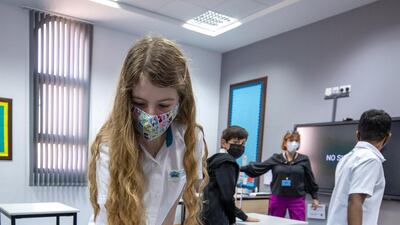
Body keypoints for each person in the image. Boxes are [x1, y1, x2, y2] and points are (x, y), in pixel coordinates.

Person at [88, 36, 208, 225]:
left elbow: (170, 208)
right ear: (127, 98)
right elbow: (110, 217)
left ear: (181, 100)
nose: (151, 116)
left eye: (163, 105)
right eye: (139, 103)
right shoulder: (110, 144)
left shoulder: (190, 138)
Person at [327, 109, 392, 225]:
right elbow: (355, 200)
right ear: (387, 138)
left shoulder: (346, 158)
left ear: (357, 134)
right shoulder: (370, 160)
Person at [240, 130, 319, 221]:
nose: (294, 143)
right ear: (285, 143)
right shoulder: (276, 158)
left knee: (299, 222)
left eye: (296, 141)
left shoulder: (304, 159)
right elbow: (260, 167)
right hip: (278, 197)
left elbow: (310, 178)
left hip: (297, 198)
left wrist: (315, 197)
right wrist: (240, 168)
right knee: (274, 222)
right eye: (291, 141)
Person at [202, 126, 259, 225]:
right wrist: (240, 217)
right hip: (217, 216)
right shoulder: (227, 162)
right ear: (224, 143)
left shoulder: (214, 159)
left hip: (206, 212)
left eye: (243, 143)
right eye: (236, 142)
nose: (240, 147)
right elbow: (227, 197)